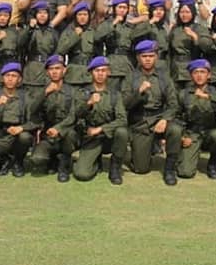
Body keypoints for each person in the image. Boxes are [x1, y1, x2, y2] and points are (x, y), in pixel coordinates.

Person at [122, 40, 180, 185]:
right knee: (141, 169)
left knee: (175, 130)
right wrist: (138, 92)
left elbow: (174, 104)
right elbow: (123, 104)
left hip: (159, 118)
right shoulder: (131, 78)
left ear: (156, 57)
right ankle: (143, 150)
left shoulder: (164, 78)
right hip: (140, 121)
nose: (147, 59)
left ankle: (170, 168)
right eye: (144, 56)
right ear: (138, 58)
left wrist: (165, 119)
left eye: (151, 56)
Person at [72, 56, 128, 184]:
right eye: (97, 71)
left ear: (108, 72)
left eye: (103, 70)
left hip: (108, 137)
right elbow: (76, 115)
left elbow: (122, 119)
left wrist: (101, 129)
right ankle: (95, 162)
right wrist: (89, 103)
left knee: (122, 132)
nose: (100, 74)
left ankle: (115, 167)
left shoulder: (115, 95)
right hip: (91, 137)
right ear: (91, 72)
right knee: (82, 174)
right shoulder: (83, 93)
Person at [0, 63, 39, 177]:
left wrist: (21, 128)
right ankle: (4, 159)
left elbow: (35, 120)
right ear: (2, 78)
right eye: (7, 75)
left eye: (14, 76)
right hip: (0, 135)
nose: (10, 79)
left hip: (18, 135)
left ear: (19, 79)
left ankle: (18, 162)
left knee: (25, 137)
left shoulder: (26, 96)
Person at [175, 59, 216, 180]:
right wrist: (182, 136)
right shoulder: (183, 94)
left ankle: (213, 164)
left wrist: (208, 96)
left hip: (210, 133)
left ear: (209, 75)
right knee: (185, 172)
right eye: (195, 72)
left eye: (203, 72)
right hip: (192, 134)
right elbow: (176, 117)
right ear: (190, 75)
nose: (199, 75)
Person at [28, 55, 77, 181]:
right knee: (37, 160)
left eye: (58, 68)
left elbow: (73, 115)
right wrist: (45, 93)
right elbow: (31, 110)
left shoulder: (73, 91)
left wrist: (59, 129)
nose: (54, 72)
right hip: (48, 135)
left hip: (66, 134)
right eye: (51, 69)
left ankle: (64, 165)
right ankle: (53, 159)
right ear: (47, 72)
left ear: (64, 70)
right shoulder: (41, 92)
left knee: (71, 134)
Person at [22, 1, 59, 96]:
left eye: (45, 13)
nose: (42, 16)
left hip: (48, 70)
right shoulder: (29, 30)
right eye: (39, 13)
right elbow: (21, 44)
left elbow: (56, 52)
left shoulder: (53, 32)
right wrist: (29, 29)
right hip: (32, 70)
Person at [57, 1, 98, 86]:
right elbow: (61, 50)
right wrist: (75, 35)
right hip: (73, 73)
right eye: (79, 15)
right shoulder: (68, 31)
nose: (82, 17)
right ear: (75, 16)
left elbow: (99, 52)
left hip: (89, 73)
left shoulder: (93, 32)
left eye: (85, 14)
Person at [168, 0, 207, 84]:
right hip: (175, 68)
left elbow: (206, 48)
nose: (184, 15)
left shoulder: (199, 28)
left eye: (187, 12)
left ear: (193, 13)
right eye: (182, 12)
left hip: (191, 67)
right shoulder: (175, 28)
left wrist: (195, 37)